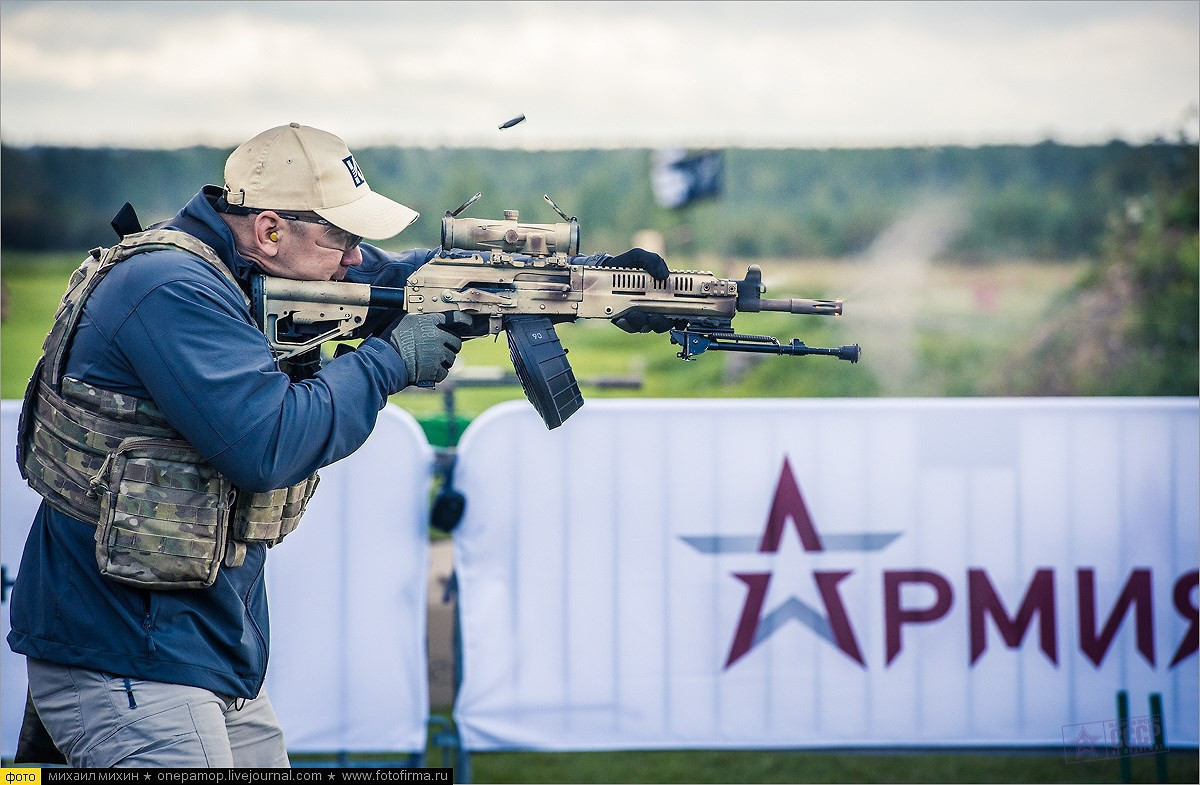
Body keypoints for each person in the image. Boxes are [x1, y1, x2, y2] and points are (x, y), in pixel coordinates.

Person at [6, 123, 669, 768]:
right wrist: (387, 362)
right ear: (270, 229)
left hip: (200, 646)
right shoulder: (169, 288)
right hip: (126, 653)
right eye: (343, 237)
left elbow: (410, 276)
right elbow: (268, 442)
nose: (355, 257)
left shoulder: (258, 267)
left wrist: (590, 283)